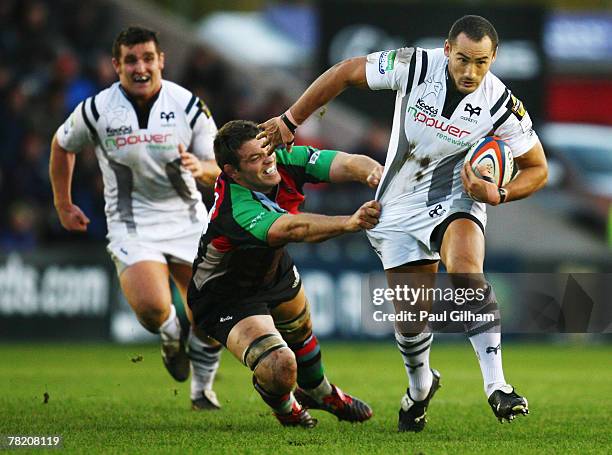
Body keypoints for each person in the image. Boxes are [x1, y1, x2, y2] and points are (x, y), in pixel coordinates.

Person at [258, 15, 548, 431]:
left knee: (467, 271)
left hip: (455, 201)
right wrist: (289, 121)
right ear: (448, 50)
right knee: (410, 322)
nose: (471, 71)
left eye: (482, 63)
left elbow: (537, 168)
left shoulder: (501, 104)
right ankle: (419, 387)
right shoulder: (413, 65)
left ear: (494, 58)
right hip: (395, 206)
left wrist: (500, 193)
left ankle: (497, 386)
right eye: (463, 59)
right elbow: (344, 72)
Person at [49, 26, 223, 410]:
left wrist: (202, 168)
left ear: (161, 60)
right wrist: (63, 203)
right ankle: (169, 334)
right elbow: (62, 145)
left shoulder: (189, 105)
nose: (140, 67)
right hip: (133, 224)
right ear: (117, 65)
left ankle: (202, 391)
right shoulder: (97, 110)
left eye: (147, 58)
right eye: (131, 60)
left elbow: (219, 165)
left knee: (212, 313)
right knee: (151, 307)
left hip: (188, 220)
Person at [187, 120, 382, 427]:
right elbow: (295, 228)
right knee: (280, 366)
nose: (267, 160)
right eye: (254, 158)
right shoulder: (236, 208)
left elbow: (343, 163)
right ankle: (285, 405)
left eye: (266, 151)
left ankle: (320, 391)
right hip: (225, 296)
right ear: (233, 171)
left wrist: (373, 172)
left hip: (272, 270)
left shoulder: (282, 158)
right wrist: (349, 222)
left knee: (300, 329)